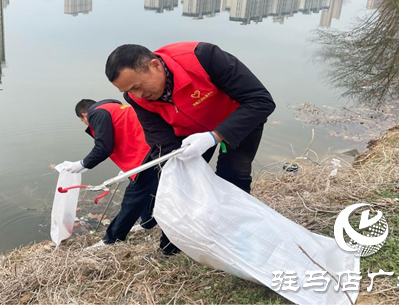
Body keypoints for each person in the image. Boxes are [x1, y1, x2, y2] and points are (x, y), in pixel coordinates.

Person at [104, 42, 276, 254]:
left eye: (137, 86)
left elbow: (261, 101)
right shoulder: (136, 97)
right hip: (188, 133)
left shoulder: (203, 58)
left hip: (239, 119)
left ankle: (238, 237)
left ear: (155, 65)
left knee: (234, 175)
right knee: (181, 181)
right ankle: (173, 246)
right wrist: (176, 159)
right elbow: (158, 136)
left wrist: (216, 135)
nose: (136, 96)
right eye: (128, 91)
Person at [55, 99, 158, 245]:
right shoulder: (113, 108)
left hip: (146, 153)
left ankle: (111, 239)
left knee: (133, 199)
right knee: (146, 189)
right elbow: (126, 135)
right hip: (150, 148)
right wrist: (126, 168)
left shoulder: (97, 113)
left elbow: (103, 147)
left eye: (82, 120)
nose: (86, 123)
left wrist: (82, 164)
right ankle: (147, 222)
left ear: (84, 114)